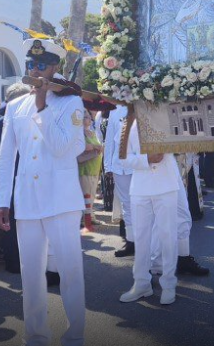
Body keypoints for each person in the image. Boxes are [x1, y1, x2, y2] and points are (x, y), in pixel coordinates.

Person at [0, 39, 86, 346]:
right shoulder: (15, 106)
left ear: (55, 67)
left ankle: (75, 336)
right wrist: (1, 200)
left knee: (70, 270)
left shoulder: (71, 102)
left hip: (61, 200)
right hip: (27, 200)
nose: (35, 70)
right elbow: (6, 156)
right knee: (30, 273)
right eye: (31, 64)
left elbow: (63, 148)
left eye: (42, 65)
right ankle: (35, 336)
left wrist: (43, 105)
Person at [118, 119, 181, 305]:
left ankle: (169, 284)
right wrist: (146, 159)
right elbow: (123, 158)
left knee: (168, 236)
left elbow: (183, 142)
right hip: (140, 187)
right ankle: (141, 283)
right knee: (141, 237)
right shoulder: (128, 124)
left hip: (166, 185)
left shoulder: (168, 117)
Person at [0, 83, 32, 272]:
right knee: (11, 220)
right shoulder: (2, 121)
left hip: (26, 175)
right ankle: (14, 262)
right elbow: (2, 153)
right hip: (12, 176)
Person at [103, 105, 136, 257]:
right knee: (127, 206)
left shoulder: (142, 104)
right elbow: (110, 138)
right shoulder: (115, 110)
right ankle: (131, 243)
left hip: (139, 164)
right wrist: (108, 165)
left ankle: (148, 242)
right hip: (120, 166)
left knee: (142, 205)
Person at [77, 109, 104, 232]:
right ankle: (85, 220)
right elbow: (81, 150)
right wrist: (94, 147)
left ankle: (90, 216)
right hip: (85, 169)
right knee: (86, 195)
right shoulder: (79, 134)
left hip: (95, 169)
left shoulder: (92, 132)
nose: (88, 119)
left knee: (92, 194)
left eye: (88, 116)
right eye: (85, 117)